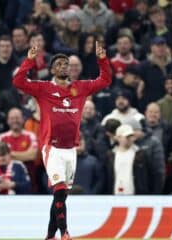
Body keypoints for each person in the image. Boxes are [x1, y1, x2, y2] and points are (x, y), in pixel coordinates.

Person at [13, 41, 111, 239]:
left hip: (70, 149)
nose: (63, 67)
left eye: (66, 64)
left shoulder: (80, 88)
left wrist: (102, 60)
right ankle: (65, 232)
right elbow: (18, 82)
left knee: (61, 196)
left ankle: (50, 236)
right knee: (58, 189)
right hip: (52, 147)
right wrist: (29, 60)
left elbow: (105, 81)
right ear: (51, 69)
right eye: (58, 64)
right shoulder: (44, 88)